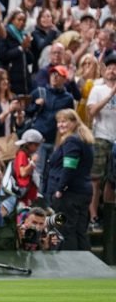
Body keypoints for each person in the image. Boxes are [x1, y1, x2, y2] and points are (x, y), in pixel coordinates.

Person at [46, 109, 94, 251]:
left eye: (64, 121)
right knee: (80, 231)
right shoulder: (85, 139)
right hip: (83, 192)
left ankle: (69, 268)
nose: (60, 125)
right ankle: (87, 267)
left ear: (74, 122)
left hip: (69, 195)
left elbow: (69, 167)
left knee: (65, 231)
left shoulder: (72, 140)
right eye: (59, 122)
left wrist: (60, 189)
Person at [85, 53, 116, 232]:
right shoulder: (97, 89)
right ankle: (93, 216)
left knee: (112, 181)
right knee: (95, 179)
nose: (112, 70)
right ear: (104, 70)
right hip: (100, 137)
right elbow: (92, 112)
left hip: (115, 140)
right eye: (110, 67)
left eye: (115, 67)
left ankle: (109, 220)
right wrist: (111, 93)